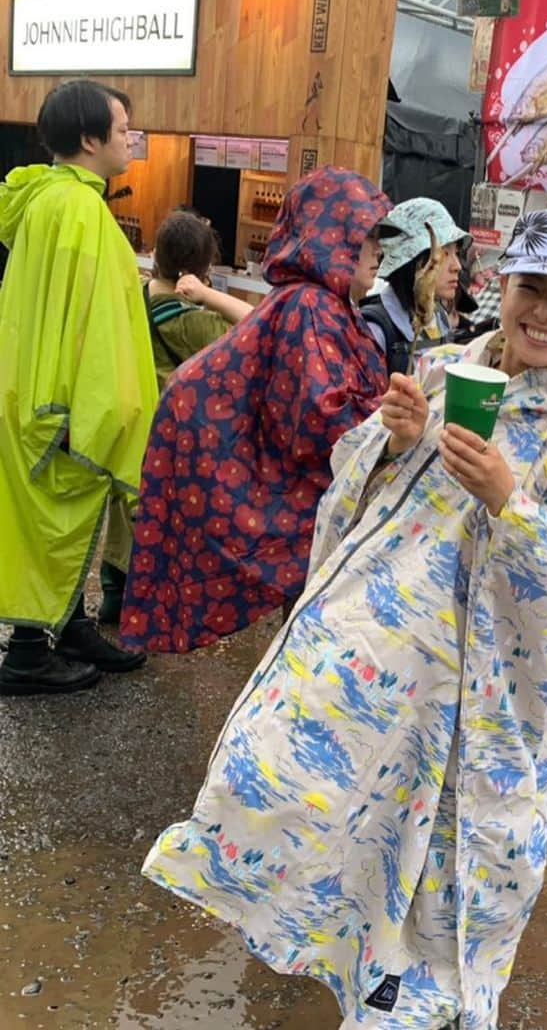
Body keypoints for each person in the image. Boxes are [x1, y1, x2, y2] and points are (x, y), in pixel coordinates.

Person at [141, 205, 547, 1030]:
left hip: (457, 694)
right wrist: (392, 444)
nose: (543, 313)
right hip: (363, 645)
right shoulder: (437, 374)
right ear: (501, 285)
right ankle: (318, 940)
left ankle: (398, 988)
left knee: (426, 850)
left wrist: (509, 502)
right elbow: (346, 489)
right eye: (530, 288)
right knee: (296, 788)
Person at [118, 167, 392, 654]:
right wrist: (399, 419)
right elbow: (319, 422)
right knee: (315, 646)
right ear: (331, 238)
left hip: (325, 518)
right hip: (314, 520)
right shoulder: (313, 306)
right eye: (366, 236)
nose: (378, 249)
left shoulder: (324, 303)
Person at [0, 80, 158, 695]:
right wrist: (95, 408)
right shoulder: (79, 209)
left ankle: (65, 628)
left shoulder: (47, 199)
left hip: (34, 393)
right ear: (90, 139)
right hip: (62, 402)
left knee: (47, 521)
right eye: (122, 130)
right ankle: (28, 651)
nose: (130, 140)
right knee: (52, 525)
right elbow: (89, 325)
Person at [98, 210, 253, 624]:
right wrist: (209, 295)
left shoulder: (135, 296)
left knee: (125, 504)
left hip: (130, 420)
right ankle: (146, 600)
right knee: (159, 515)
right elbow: (257, 326)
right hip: (169, 434)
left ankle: (113, 588)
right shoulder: (192, 321)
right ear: (199, 268)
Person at [361, 197, 467, 374]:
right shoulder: (376, 330)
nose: (457, 266)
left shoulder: (440, 318)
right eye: (444, 254)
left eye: (456, 253)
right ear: (414, 261)